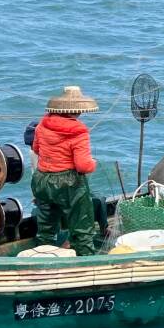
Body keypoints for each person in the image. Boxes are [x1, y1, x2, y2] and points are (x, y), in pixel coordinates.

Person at [31, 85, 100, 255]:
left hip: (42, 180)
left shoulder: (42, 125)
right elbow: (82, 165)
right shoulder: (79, 132)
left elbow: (36, 149)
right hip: (68, 183)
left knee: (46, 226)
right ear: (78, 110)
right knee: (82, 227)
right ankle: (86, 261)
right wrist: (93, 164)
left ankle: (42, 257)